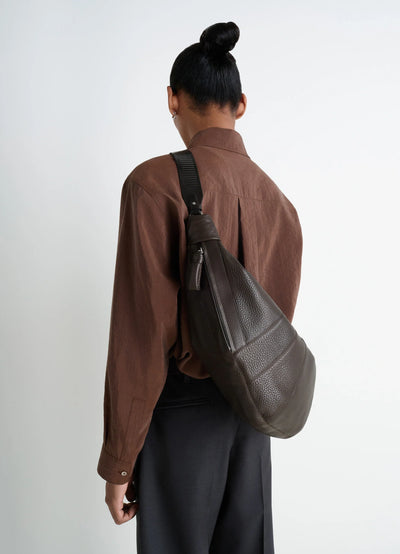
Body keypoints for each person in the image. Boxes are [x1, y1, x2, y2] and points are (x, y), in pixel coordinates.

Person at [97, 21, 303, 554]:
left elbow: (140, 337)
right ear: (241, 104)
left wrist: (119, 460)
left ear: (173, 98)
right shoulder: (280, 204)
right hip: (252, 421)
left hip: (181, 418)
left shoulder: (153, 185)